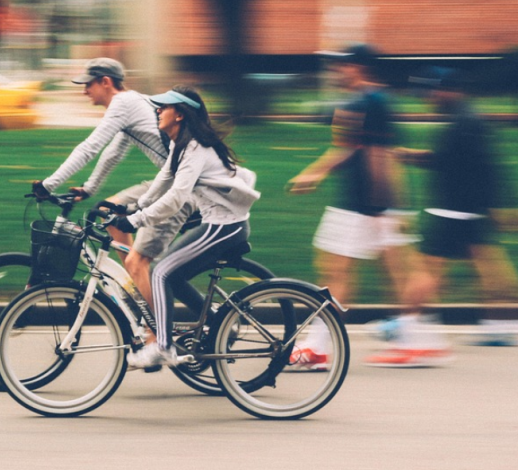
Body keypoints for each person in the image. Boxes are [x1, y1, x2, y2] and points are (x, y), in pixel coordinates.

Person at [287, 44, 443, 368]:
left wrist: (382, 207)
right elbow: (349, 149)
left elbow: (379, 154)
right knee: (350, 271)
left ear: (358, 67)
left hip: (369, 205)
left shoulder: (372, 101)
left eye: (341, 66)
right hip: (366, 205)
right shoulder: (367, 101)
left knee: (380, 273)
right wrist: (314, 174)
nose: (336, 71)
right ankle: (419, 341)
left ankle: (413, 342)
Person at [113, 86, 261, 368]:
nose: (157, 111)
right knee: (173, 276)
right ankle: (218, 322)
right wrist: (134, 206)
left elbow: (176, 197)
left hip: (225, 228)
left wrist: (135, 220)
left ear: (179, 114)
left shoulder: (196, 148)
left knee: (161, 274)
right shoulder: (182, 145)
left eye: (163, 107)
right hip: (217, 225)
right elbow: (164, 179)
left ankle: (164, 347)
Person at [31, 57, 194, 312]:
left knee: (138, 260)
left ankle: (157, 330)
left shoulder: (123, 103)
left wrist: (49, 184)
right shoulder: (131, 103)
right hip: (170, 179)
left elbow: (90, 147)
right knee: (109, 211)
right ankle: (136, 288)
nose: (84, 90)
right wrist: (89, 188)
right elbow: (113, 152)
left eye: (88, 84)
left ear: (106, 82)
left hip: (180, 186)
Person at [392, 66, 518, 351]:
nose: (429, 97)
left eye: (432, 91)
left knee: (427, 268)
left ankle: (406, 327)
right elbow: (461, 162)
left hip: (454, 210)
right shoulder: (465, 118)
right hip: (467, 209)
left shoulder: (465, 122)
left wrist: (499, 207)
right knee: (491, 267)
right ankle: (501, 326)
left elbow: (480, 167)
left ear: (450, 90)